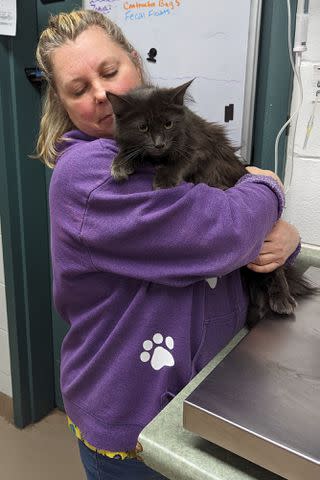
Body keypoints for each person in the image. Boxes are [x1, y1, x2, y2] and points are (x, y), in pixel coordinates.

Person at [35, 9, 301, 480]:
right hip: (134, 414)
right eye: (78, 89)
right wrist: (271, 190)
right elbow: (225, 231)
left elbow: (232, 204)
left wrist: (285, 238)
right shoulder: (89, 176)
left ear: (135, 62)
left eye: (111, 72)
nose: (101, 94)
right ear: (60, 101)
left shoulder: (167, 133)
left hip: (203, 392)